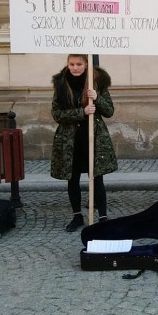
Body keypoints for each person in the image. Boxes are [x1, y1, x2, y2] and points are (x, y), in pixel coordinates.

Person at [50, 54, 118, 231]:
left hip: (94, 138)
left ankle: (102, 216)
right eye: (71, 64)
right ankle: (77, 216)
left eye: (79, 64)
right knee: (73, 179)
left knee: (97, 178)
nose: (75, 68)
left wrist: (96, 97)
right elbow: (57, 114)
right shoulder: (61, 83)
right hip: (70, 141)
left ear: (86, 64)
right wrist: (82, 112)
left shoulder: (97, 81)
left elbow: (109, 110)